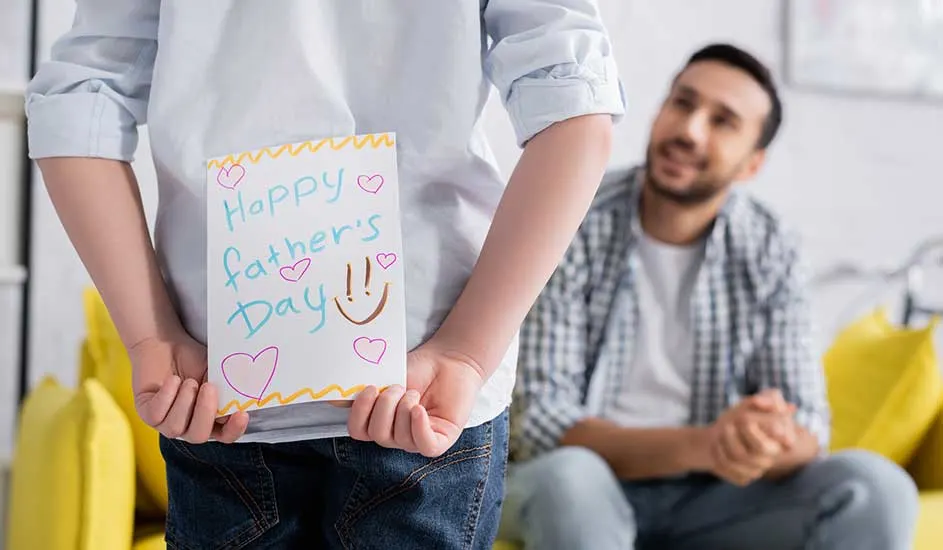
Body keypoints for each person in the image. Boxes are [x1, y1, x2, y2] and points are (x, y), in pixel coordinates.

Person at [25, 2, 624, 548]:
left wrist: (150, 336)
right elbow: (578, 102)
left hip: (226, 383)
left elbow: (78, 100)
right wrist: (465, 353)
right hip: (417, 384)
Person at [500, 43, 919, 550]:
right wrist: (704, 445)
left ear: (752, 164)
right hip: (581, 487)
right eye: (683, 103)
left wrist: (761, 438)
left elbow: (808, 426)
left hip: (715, 500)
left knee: (877, 487)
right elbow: (538, 422)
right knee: (569, 478)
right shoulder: (575, 216)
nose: (690, 130)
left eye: (723, 121)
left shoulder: (770, 247)